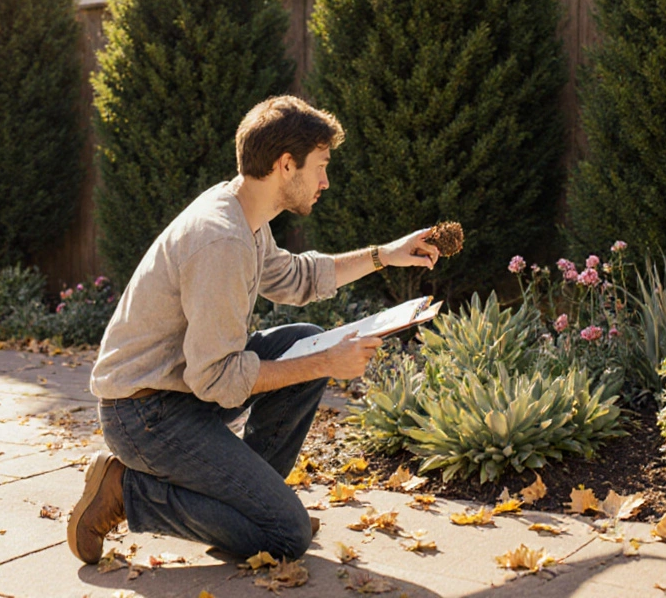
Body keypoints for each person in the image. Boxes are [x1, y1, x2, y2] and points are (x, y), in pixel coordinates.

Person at [68, 95, 440, 564]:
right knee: (287, 538)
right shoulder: (221, 239)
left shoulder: (244, 215)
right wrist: (326, 362)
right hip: (144, 416)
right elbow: (217, 378)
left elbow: (296, 278)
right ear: (286, 165)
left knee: (299, 339)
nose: (325, 182)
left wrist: (384, 254)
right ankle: (128, 491)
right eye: (321, 167)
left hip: (177, 391)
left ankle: (253, 509)